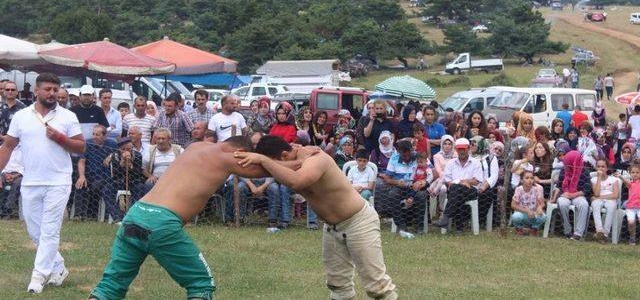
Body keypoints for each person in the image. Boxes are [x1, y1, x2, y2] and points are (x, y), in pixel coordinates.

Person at [89, 136, 302, 299]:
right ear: (240, 152)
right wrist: (304, 158)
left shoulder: (195, 146)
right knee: (201, 284)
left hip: (135, 215)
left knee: (109, 286)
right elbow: (272, 170)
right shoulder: (226, 159)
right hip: (162, 222)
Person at [235, 136, 397, 300]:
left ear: (284, 156)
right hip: (332, 227)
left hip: (358, 222)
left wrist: (263, 160)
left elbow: (297, 182)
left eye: (273, 162)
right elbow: (266, 167)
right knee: (338, 286)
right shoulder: (293, 157)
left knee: (378, 287)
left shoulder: (316, 158)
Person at [0, 73, 85, 294]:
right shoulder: (21, 116)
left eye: (55, 90)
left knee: (49, 230)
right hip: (30, 181)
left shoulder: (67, 116)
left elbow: (81, 147)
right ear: (36, 91)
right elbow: (8, 147)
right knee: (34, 230)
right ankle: (58, 267)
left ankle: (38, 276)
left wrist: (60, 138)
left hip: (59, 181)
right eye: (47, 89)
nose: (52, 93)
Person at [433, 138, 484, 234]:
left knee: (456, 191)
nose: (462, 151)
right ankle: (459, 229)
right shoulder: (451, 163)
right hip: (454, 190)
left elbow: (477, 181)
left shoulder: (475, 162)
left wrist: (463, 181)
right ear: (456, 149)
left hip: (471, 191)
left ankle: (445, 218)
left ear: (468, 148)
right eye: (459, 149)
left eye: (464, 149)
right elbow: (447, 181)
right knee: (457, 191)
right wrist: (462, 182)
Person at [74, 125, 117, 220]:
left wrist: (111, 156)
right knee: (80, 185)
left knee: (96, 186)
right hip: (89, 175)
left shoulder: (112, 144)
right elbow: (81, 161)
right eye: (93, 134)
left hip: (105, 177)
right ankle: (78, 215)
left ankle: (92, 216)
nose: (94, 136)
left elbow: (120, 153)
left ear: (104, 136)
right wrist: (82, 176)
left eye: (97, 135)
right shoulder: (87, 143)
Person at [551, 151, 591, 240]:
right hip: (565, 194)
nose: (567, 165)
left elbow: (586, 189)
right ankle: (567, 230)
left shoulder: (584, 171)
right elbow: (558, 186)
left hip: (578, 194)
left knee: (583, 204)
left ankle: (578, 233)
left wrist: (573, 195)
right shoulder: (564, 170)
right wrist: (554, 198)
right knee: (562, 203)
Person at [591, 158, 619, 243]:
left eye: (603, 166)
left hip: (610, 199)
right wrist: (599, 178)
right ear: (596, 168)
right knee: (595, 205)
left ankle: (605, 234)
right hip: (599, 199)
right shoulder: (593, 179)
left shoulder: (614, 180)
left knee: (611, 207)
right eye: (598, 166)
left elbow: (615, 195)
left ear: (607, 168)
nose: (600, 168)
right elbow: (596, 193)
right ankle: (599, 231)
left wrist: (600, 197)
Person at [510, 170, 546, 236]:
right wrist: (526, 210)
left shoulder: (537, 189)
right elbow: (513, 205)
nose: (530, 180)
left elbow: (543, 203)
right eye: (527, 178)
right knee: (516, 216)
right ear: (521, 180)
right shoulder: (519, 189)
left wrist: (540, 207)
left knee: (543, 216)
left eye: (532, 178)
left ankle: (534, 229)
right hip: (522, 214)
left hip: (533, 214)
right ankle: (519, 229)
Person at [617, 163, 640, 245]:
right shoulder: (630, 184)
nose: (635, 174)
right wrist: (620, 176)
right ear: (630, 173)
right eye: (633, 172)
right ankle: (632, 238)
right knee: (631, 222)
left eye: (637, 172)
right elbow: (625, 181)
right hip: (631, 207)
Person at [0, 147, 23, 218]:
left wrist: (15, 176)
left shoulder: (24, 149)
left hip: (19, 174)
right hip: (4, 173)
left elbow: (26, 167)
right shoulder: (2, 148)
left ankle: (7, 210)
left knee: (16, 184)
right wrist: (4, 174)